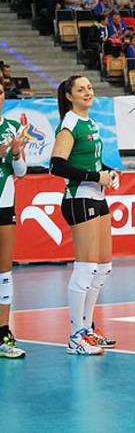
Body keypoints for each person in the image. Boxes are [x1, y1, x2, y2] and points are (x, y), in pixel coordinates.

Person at [50, 75, 119, 355]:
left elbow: (92, 161)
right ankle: (75, 336)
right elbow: (57, 165)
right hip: (79, 197)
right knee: (86, 267)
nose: (88, 92)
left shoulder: (90, 122)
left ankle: (87, 329)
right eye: (81, 89)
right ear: (69, 96)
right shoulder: (69, 123)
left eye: (89, 88)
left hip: (96, 197)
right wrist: (95, 176)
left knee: (103, 266)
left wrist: (109, 172)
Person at [0, 85, 28, 358]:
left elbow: (20, 172)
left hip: (5, 205)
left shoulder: (12, 127)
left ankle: (3, 333)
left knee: (4, 272)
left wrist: (17, 153)